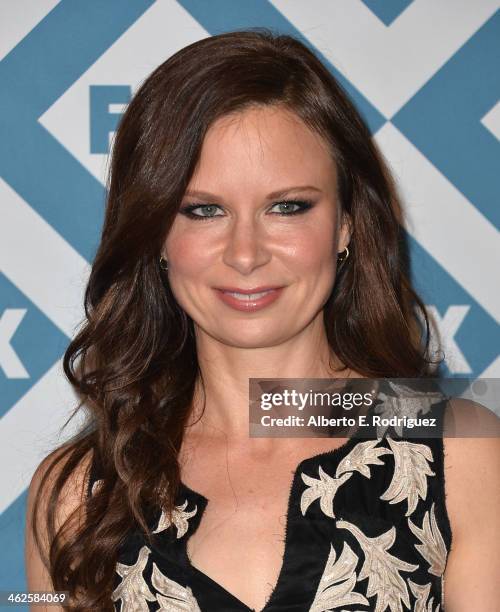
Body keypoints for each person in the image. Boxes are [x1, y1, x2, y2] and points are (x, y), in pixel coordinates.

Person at [25, 29, 499, 611]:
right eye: (203, 210)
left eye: (287, 207)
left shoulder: (462, 449)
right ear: (156, 235)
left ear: (347, 223)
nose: (245, 254)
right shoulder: (77, 493)